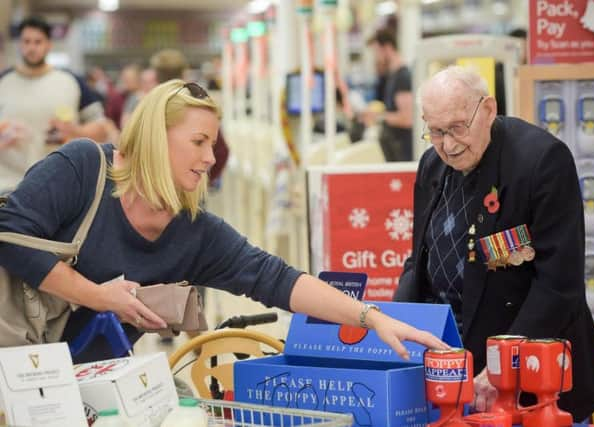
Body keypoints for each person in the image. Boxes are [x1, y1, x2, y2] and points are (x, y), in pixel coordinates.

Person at [0, 79, 447, 363]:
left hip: (81, 382)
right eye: (198, 141)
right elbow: (10, 234)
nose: (211, 158)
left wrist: (371, 316)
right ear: (158, 136)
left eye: (212, 144)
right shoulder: (84, 169)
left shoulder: (195, 231)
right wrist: (98, 296)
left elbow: (276, 279)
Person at [393, 66, 594, 421]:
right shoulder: (431, 166)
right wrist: (392, 329)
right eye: (435, 131)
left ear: (489, 110)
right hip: (456, 378)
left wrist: (500, 369)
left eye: (457, 127)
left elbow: (559, 287)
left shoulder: (542, 161)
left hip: (535, 381)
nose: (447, 144)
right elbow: (419, 263)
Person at [0, 16, 108, 193]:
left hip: (59, 183)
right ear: (19, 44)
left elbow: (102, 128)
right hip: (6, 185)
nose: (31, 47)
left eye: (38, 42)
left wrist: (76, 131)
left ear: (49, 44)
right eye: (26, 41)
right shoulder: (3, 81)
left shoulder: (71, 81)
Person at [363, 29, 413, 162]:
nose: (376, 57)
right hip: (393, 152)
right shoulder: (392, 76)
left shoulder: (403, 77)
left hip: (403, 155)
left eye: (377, 52)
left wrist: (378, 116)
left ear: (387, 48)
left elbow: (407, 118)